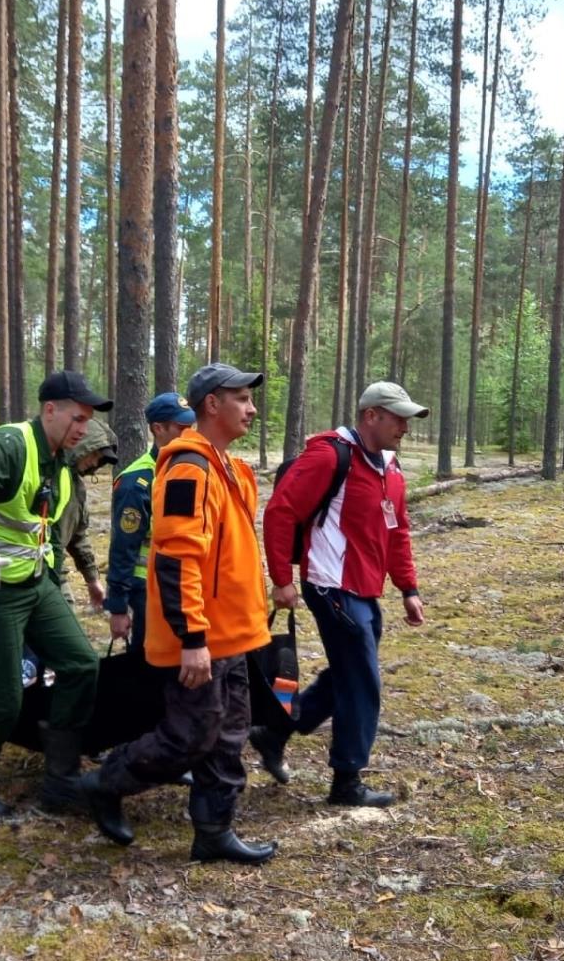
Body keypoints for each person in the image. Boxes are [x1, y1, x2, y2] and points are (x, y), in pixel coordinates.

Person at [81, 363, 277, 865]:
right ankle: (105, 783)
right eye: (241, 399)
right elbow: (175, 559)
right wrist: (193, 638)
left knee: (230, 736)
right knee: (190, 735)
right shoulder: (190, 468)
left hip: (235, 635)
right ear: (212, 404)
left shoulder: (231, 467)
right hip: (202, 637)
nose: (251, 408)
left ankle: (213, 831)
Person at [0, 370, 110, 817]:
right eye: (77, 418)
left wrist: (58, 581)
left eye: (87, 421)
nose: (83, 428)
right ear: (49, 410)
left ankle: (61, 773)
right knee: (5, 693)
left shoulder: (61, 462)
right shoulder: (13, 444)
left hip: (36, 584)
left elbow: (45, 530)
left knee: (80, 663)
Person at [254, 381, 428, 807]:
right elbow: (280, 512)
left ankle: (275, 732)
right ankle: (347, 781)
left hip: (365, 590)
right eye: (397, 417)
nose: (405, 426)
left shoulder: (391, 466)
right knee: (362, 680)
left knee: (349, 672)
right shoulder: (331, 454)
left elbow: (397, 532)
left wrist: (408, 587)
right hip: (329, 584)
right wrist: (281, 579)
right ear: (371, 415)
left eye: (407, 418)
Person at [104, 392, 196, 656]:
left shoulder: (188, 469)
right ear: (158, 429)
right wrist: (118, 607)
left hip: (183, 584)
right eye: (181, 428)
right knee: (150, 660)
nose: (189, 434)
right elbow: (123, 546)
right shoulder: (138, 480)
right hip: (147, 589)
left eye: (191, 427)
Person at [56, 417, 119, 610]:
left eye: (99, 460)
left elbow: (77, 536)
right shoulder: (49, 478)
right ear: (81, 446)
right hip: (40, 576)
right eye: (94, 455)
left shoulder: (76, 487)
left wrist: (92, 579)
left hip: (54, 574)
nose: (94, 462)